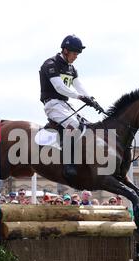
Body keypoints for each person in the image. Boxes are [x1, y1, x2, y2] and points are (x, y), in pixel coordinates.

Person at [39, 35, 104, 179]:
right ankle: (68, 163)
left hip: (65, 105)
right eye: (74, 53)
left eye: (78, 54)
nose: (76, 57)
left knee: (85, 125)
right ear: (65, 50)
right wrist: (80, 97)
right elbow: (60, 87)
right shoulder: (50, 64)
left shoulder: (71, 68)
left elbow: (79, 86)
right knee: (74, 124)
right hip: (52, 104)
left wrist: (92, 100)